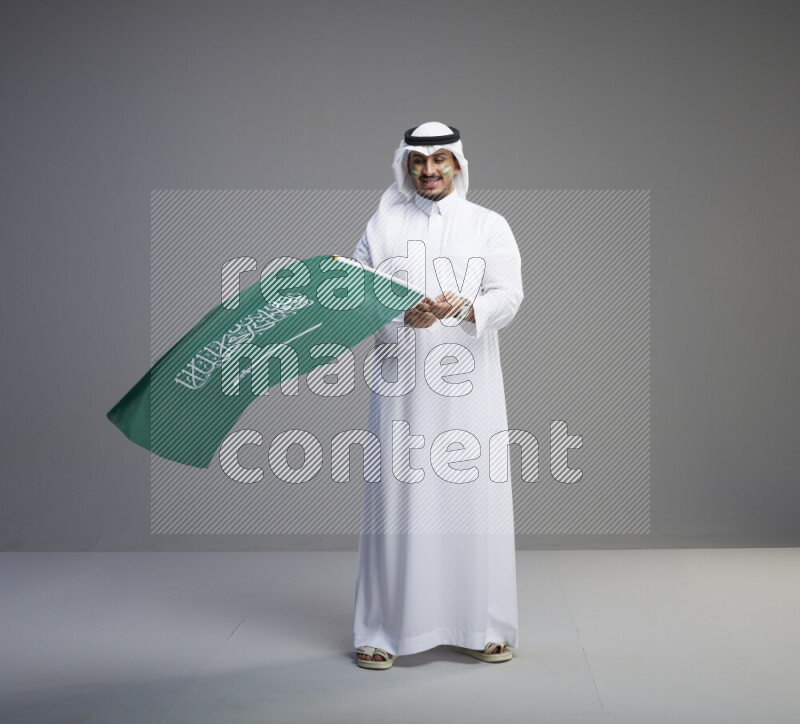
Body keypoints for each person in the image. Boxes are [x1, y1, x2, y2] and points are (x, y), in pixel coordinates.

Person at [350, 122, 524, 669]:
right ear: (405, 165)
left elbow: (509, 294)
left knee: (474, 498)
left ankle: (484, 625)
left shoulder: (488, 225)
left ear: (458, 165)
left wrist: (467, 308)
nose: (428, 171)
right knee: (397, 503)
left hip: (469, 390)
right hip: (400, 386)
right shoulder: (381, 225)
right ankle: (383, 628)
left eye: (440, 161)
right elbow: (355, 302)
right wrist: (401, 317)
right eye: (418, 162)